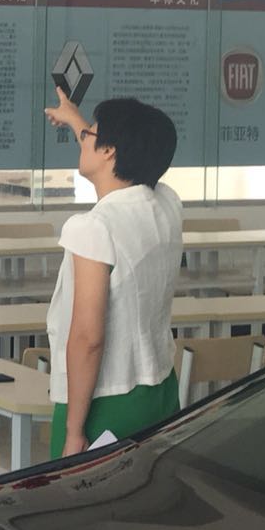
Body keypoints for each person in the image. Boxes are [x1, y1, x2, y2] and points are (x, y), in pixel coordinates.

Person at [43, 88, 182, 459]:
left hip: (105, 404)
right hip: (160, 390)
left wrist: (75, 430)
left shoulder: (93, 228)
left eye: (91, 133)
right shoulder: (166, 203)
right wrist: (76, 120)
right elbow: (117, 161)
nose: (84, 137)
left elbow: (88, 338)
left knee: (75, 495)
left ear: (109, 151)